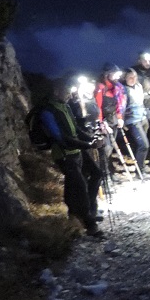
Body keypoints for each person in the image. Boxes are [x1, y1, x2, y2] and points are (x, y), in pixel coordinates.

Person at [40, 78, 104, 237]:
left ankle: (80, 214)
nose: (70, 94)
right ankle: (90, 225)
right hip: (64, 155)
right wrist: (89, 145)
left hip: (77, 152)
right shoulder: (47, 111)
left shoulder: (65, 106)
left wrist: (90, 139)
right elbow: (61, 138)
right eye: (66, 91)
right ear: (56, 91)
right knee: (80, 187)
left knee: (95, 174)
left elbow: (75, 130)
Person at [94, 63, 127, 176]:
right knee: (106, 148)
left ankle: (109, 172)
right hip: (104, 123)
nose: (117, 77)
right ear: (107, 74)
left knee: (111, 147)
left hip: (113, 120)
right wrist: (102, 123)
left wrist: (120, 118)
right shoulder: (101, 87)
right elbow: (98, 108)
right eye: (115, 74)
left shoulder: (116, 87)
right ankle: (104, 174)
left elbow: (119, 104)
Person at [120, 68, 150, 178]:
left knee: (142, 145)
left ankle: (141, 165)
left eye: (135, 77)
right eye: (130, 77)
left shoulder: (138, 86)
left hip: (142, 118)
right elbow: (122, 106)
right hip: (132, 120)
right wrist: (122, 121)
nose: (133, 79)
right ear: (125, 78)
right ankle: (139, 171)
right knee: (144, 145)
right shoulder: (123, 89)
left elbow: (142, 100)